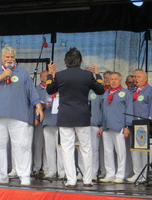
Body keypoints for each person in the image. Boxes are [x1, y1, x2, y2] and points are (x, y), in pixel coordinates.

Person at [0, 46, 44, 186]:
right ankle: (2, 175)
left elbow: (32, 91)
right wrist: (1, 77)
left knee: (21, 146)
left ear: (14, 58)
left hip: (18, 115)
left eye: (11, 57)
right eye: (7, 57)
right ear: (2, 58)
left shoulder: (22, 72)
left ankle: (24, 175)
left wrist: (38, 106)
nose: (9, 59)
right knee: (0, 146)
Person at [46, 47, 104, 188]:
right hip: (82, 116)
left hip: (65, 116)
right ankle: (87, 180)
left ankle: (71, 180)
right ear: (80, 61)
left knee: (67, 148)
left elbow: (49, 89)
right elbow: (101, 90)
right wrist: (97, 74)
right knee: (86, 148)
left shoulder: (60, 75)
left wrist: (49, 74)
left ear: (66, 61)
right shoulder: (87, 75)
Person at [99, 72, 133, 184]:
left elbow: (129, 110)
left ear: (120, 80)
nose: (113, 81)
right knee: (108, 151)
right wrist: (101, 125)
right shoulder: (105, 93)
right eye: (111, 79)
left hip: (119, 126)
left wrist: (127, 126)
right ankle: (110, 174)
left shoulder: (126, 93)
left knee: (120, 152)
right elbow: (102, 110)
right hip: (106, 126)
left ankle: (120, 175)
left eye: (116, 79)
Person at [127, 69, 152, 183]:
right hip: (134, 124)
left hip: (145, 125)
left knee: (145, 151)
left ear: (145, 78)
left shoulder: (150, 90)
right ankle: (137, 173)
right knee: (135, 150)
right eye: (134, 76)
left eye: (138, 76)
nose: (135, 79)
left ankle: (146, 174)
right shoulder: (132, 92)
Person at [39, 70, 63, 179]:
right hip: (48, 120)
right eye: (51, 77)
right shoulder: (46, 90)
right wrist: (43, 104)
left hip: (60, 121)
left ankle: (62, 171)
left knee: (61, 148)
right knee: (49, 148)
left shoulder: (63, 88)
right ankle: (51, 170)